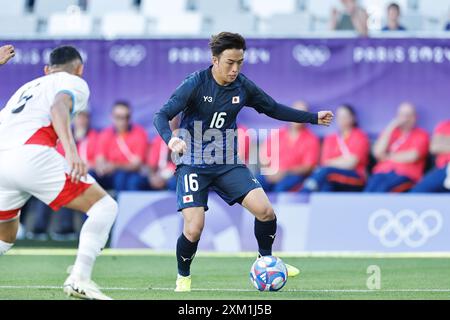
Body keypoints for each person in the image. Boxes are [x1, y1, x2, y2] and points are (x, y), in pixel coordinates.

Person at [153, 32, 333, 292]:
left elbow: (272, 108)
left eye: (240, 62)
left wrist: (313, 118)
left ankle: (266, 260)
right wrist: (171, 140)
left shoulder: (242, 86)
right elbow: (162, 114)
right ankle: (183, 277)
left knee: (266, 212)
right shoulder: (195, 83)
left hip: (227, 163)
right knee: (194, 229)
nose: (235, 68)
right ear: (215, 60)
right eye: (229, 62)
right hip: (192, 163)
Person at [0, 46, 118, 300]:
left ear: (46, 70)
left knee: (5, 236)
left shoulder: (25, 88)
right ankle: (80, 278)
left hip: (2, 161)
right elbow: (58, 108)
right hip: (30, 156)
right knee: (104, 207)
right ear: (79, 68)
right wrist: (72, 152)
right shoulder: (73, 81)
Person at [27, 111, 98, 241]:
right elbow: (58, 158)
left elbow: (98, 161)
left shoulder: (94, 136)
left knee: (76, 183)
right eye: (79, 116)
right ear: (73, 118)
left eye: (85, 116)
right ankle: (40, 229)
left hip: (85, 176)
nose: (82, 120)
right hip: (66, 174)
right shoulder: (64, 136)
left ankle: (70, 229)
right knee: (49, 182)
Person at [301, 104, 370, 193]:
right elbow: (325, 162)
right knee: (326, 183)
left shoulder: (360, 136)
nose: (342, 120)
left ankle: (304, 193)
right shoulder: (331, 138)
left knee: (326, 172)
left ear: (353, 118)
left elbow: (352, 163)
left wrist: (334, 162)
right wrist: (343, 160)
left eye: (345, 116)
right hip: (333, 175)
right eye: (339, 117)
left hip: (355, 176)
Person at [365, 102, 429, 192]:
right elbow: (378, 152)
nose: (405, 118)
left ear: (415, 117)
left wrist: (387, 156)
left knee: (383, 189)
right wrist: (391, 126)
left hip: (406, 174)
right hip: (382, 171)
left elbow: (412, 156)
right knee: (369, 190)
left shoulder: (421, 134)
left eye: (409, 115)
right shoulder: (391, 132)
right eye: (402, 115)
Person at [258, 101, 320, 192]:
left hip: (294, 175)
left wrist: (285, 173)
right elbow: (264, 157)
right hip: (272, 173)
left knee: (281, 188)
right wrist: (268, 172)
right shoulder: (277, 134)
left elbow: (308, 167)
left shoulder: (311, 139)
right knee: (254, 183)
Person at [95, 101, 148, 193]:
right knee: (90, 175)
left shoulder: (139, 133)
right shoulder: (105, 133)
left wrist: (114, 166)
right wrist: (101, 167)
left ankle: (121, 206)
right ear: (112, 117)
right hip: (110, 175)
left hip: (130, 175)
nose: (123, 121)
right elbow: (100, 159)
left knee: (122, 176)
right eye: (119, 117)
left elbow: (136, 165)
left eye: (126, 117)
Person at [410, 120, 450, 193]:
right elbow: (434, 147)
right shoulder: (444, 125)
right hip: (442, 169)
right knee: (417, 192)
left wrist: (445, 141)